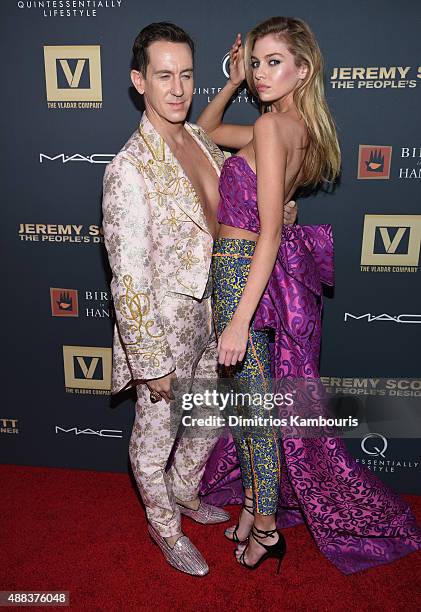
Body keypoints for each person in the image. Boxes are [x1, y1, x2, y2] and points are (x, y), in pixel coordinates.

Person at [197, 16, 421, 573]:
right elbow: (206, 128)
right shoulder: (285, 125)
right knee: (249, 409)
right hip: (251, 270)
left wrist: (238, 321)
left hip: (240, 272)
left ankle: (268, 530)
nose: (260, 73)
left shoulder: (272, 128)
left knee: (256, 412)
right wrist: (229, 81)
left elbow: (271, 230)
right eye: (256, 62)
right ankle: (254, 509)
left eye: (274, 62)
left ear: (303, 70)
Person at [102, 21, 297, 577]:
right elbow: (128, 280)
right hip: (162, 329)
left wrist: (280, 211)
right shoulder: (128, 171)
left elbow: (238, 201)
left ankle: (185, 493)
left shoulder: (198, 142)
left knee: (209, 419)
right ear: (139, 81)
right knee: (154, 436)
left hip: (213, 313)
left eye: (186, 74)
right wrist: (151, 361)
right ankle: (164, 527)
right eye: (164, 76)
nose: (178, 88)